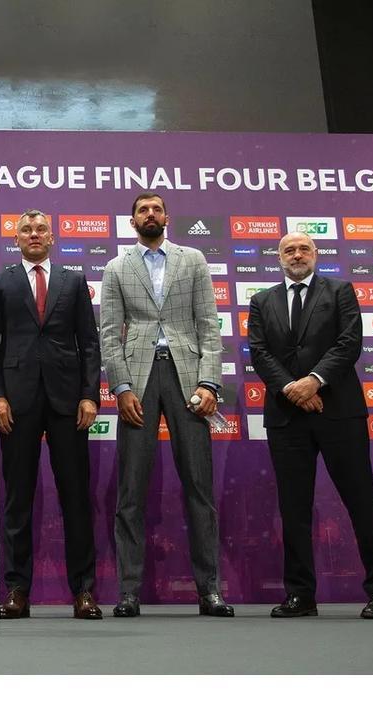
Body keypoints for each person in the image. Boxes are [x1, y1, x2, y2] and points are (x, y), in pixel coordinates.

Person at [248, 232, 373, 619]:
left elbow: (349, 343)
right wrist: (291, 389)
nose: (296, 255)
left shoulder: (340, 290)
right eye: (288, 250)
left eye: (303, 249)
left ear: (316, 255)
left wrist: (313, 381)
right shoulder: (262, 301)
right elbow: (260, 353)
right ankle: (300, 595)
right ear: (278, 258)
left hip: (338, 411)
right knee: (294, 509)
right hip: (287, 416)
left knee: (361, 500)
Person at [99, 191, 234, 618]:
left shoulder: (192, 259)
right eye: (143, 210)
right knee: (131, 492)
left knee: (199, 487)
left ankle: (209, 590)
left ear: (167, 217)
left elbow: (208, 325)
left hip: (188, 378)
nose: (150, 214)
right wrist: (120, 388)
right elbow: (108, 334)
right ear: (133, 221)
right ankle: (129, 592)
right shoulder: (116, 268)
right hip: (138, 381)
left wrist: (210, 381)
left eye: (156, 208)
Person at [0, 209, 102, 620]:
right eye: (25, 230)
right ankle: (17, 590)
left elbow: (89, 343)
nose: (33, 235)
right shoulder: (0, 282)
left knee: (76, 500)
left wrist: (90, 396)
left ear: (52, 237)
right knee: (18, 500)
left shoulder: (74, 280)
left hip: (69, 403)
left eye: (40, 229)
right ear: (16, 239)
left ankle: (83, 591)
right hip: (17, 402)